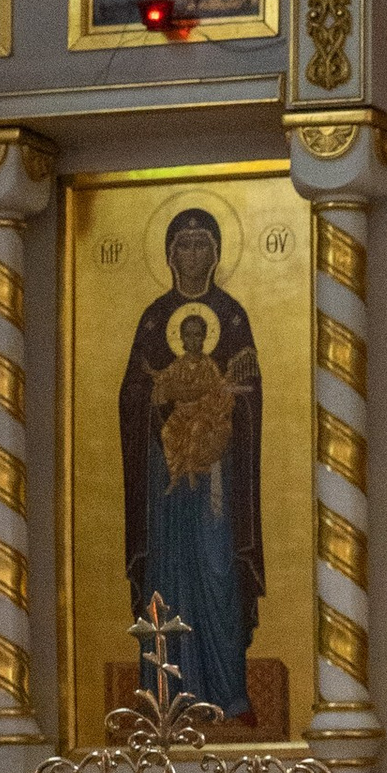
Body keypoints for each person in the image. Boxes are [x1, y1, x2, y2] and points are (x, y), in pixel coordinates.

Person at [118, 208, 263, 722]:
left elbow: (249, 397)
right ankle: (163, 700)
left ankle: (227, 694)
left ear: (217, 253)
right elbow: (133, 395)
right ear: (170, 254)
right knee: (169, 579)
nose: (194, 255)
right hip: (166, 482)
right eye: (184, 245)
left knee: (219, 574)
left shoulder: (234, 316)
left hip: (218, 480)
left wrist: (220, 403)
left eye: (203, 245)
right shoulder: (156, 320)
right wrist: (162, 403)